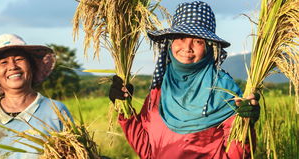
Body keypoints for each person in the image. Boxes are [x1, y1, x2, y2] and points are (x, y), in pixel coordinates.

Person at [109, 1, 260, 159]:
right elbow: (148, 152)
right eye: (181, 37)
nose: (187, 47)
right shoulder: (160, 90)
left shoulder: (224, 92)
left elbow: (236, 156)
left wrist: (246, 125)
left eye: (198, 41)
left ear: (209, 47)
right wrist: (124, 109)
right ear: (171, 42)